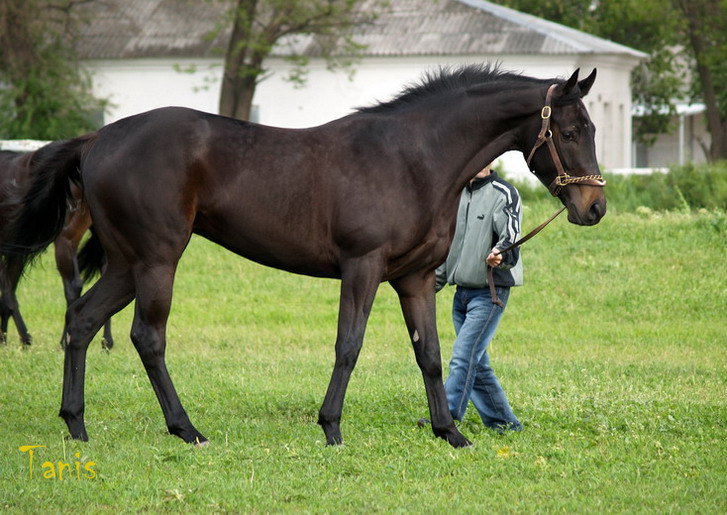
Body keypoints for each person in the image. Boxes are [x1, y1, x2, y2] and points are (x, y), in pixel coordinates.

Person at [427, 162, 523, 432]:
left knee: (463, 356)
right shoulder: (458, 195)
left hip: (489, 294)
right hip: (462, 296)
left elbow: (511, 237)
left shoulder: (504, 192)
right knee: (476, 362)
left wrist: (501, 255)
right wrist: (427, 288)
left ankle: (446, 416)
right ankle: (505, 423)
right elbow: (451, 248)